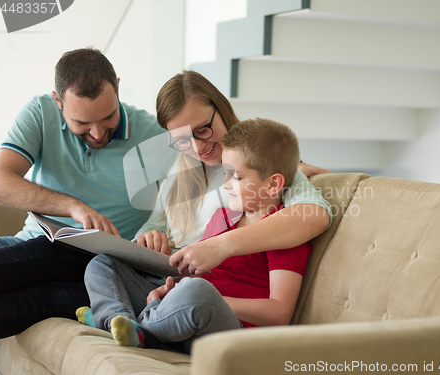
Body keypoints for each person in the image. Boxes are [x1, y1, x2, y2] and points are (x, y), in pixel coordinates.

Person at [80, 118, 313, 353]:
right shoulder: (223, 216)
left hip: (229, 330)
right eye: (225, 173)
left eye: (236, 177)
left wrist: (202, 298)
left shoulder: (284, 234)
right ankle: (120, 322)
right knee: (103, 263)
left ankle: (136, 327)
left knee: (198, 292)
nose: (225, 185)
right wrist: (170, 291)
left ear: (273, 185)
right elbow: (197, 275)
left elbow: (279, 312)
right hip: (184, 310)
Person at [0, 48, 166, 338]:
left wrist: (154, 229)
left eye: (108, 117)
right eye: (82, 123)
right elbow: (0, 182)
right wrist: (74, 208)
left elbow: (180, 206)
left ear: (118, 88)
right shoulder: (40, 112)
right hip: (33, 243)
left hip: (99, 265)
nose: (98, 133)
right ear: (57, 101)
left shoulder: (153, 137)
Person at [135, 70, 332, 277]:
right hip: (164, 275)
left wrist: (219, 246)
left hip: (202, 284)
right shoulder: (182, 164)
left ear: (221, 108)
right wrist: (147, 236)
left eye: (202, 130)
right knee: (102, 264)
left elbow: (315, 216)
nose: (198, 147)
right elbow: (158, 221)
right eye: (182, 140)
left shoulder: (262, 161)